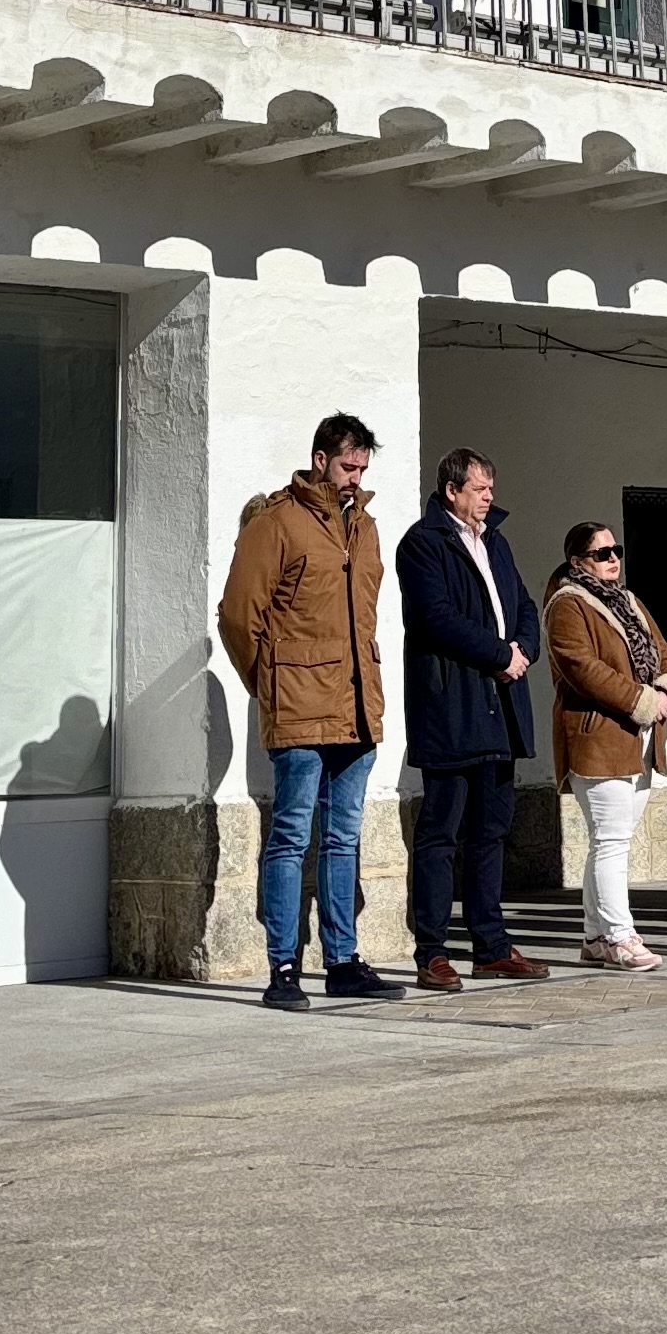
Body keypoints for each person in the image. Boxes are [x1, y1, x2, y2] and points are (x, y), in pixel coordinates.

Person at [217, 411, 407, 1010]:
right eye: (348, 465)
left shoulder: (366, 529)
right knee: (292, 836)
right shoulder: (276, 524)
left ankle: (343, 960)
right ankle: (282, 968)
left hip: (356, 706)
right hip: (298, 707)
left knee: (344, 838)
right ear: (320, 459)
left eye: (363, 468)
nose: (355, 477)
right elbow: (236, 616)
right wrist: (269, 683)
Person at [395, 445, 552, 991]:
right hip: (453, 706)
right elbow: (435, 619)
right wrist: (497, 654)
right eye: (480, 489)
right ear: (452, 491)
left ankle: (490, 945)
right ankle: (432, 951)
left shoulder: (497, 543)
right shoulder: (423, 544)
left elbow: (526, 606)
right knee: (441, 833)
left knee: (491, 831)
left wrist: (523, 650)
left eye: (491, 487)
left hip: (502, 707)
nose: (489, 497)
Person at [543, 520, 667, 970]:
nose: (613, 560)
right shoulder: (567, 605)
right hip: (597, 736)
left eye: (616, 550)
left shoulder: (629, 601)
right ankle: (621, 937)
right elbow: (583, 669)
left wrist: (665, 689)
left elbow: (665, 653)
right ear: (578, 561)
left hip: (638, 739)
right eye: (602, 553)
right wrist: (642, 700)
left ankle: (594, 936)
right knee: (610, 841)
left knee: (610, 841)